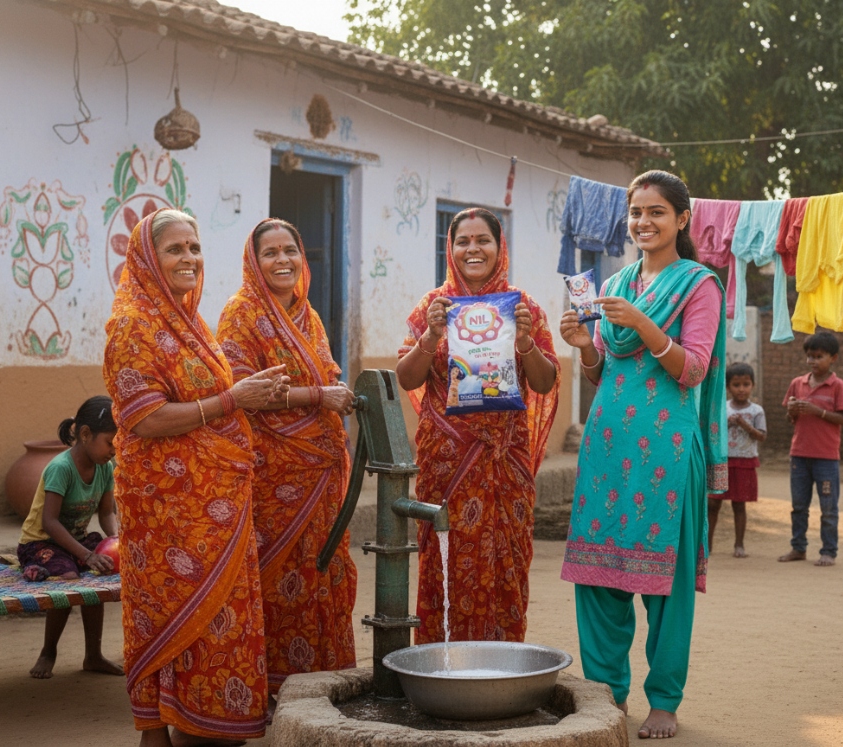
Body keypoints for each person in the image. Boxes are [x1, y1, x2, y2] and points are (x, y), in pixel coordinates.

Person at [104, 208, 288, 747]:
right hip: (168, 509)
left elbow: (209, 398)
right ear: (147, 259)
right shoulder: (132, 325)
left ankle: (203, 719)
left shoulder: (190, 323)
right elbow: (146, 418)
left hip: (218, 506)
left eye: (195, 247)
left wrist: (248, 391)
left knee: (221, 618)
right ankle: (169, 723)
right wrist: (235, 399)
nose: (189, 258)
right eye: (175, 249)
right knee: (173, 612)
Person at [559, 170, 727, 740]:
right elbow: (606, 367)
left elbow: (694, 368)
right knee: (599, 578)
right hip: (607, 448)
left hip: (668, 451)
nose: (643, 222)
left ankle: (664, 701)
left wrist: (647, 326)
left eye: (657, 212)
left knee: (666, 587)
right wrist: (585, 348)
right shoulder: (619, 282)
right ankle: (608, 696)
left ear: (682, 219)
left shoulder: (699, 285)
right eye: (636, 212)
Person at [396, 207, 560, 644]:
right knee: (444, 561)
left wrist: (525, 343)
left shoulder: (523, 308)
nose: (473, 249)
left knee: (508, 560)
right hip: (447, 465)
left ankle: (503, 667)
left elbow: (544, 383)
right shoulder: (432, 308)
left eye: (482, 240)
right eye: (462, 241)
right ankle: (441, 664)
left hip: (506, 464)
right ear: (449, 249)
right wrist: (431, 336)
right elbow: (407, 378)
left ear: (499, 246)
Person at [216, 219, 358, 709]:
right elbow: (243, 392)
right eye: (271, 253)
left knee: (323, 572)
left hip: (319, 470)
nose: (282, 261)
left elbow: (327, 369)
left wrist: (331, 390)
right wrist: (322, 396)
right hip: (273, 471)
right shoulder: (240, 315)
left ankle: (323, 684)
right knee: (275, 576)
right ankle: (275, 690)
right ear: (254, 262)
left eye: (290, 251)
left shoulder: (308, 316)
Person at [17, 395, 122, 680]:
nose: (114, 450)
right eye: (110, 442)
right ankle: (48, 651)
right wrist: (86, 555)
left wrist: (115, 540)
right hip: (40, 542)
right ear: (85, 434)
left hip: (74, 540)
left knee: (102, 571)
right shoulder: (61, 468)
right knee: (68, 579)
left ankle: (94, 655)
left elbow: (105, 514)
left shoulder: (105, 468)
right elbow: (48, 522)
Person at [777, 331, 843, 567]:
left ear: (833, 358)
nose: (813, 361)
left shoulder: (837, 386)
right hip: (799, 454)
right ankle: (798, 548)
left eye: (819, 357)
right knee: (799, 506)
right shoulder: (797, 384)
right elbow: (791, 419)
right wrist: (793, 410)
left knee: (828, 508)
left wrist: (817, 412)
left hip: (826, 458)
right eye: (810, 357)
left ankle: (829, 550)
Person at [708, 362, 766, 558]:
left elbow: (762, 436)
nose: (741, 389)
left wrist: (745, 425)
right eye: (736, 385)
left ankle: (739, 545)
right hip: (723, 461)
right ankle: (707, 546)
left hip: (744, 461)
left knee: (739, 504)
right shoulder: (722, 409)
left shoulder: (757, 411)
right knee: (713, 504)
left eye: (746, 384)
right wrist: (727, 424)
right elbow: (713, 432)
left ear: (753, 385)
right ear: (728, 387)